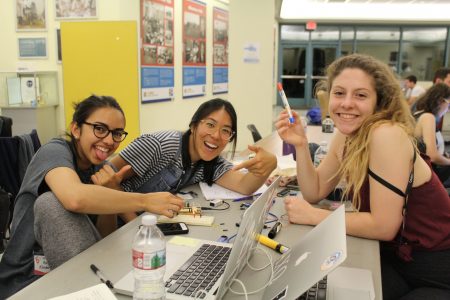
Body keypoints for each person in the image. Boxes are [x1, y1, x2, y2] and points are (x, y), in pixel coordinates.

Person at [276, 54, 450, 300]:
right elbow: (314, 191)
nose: (346, 104)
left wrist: (315, 216)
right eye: (339, 93)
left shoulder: (386, 134)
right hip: (397, 257)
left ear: (379, 101)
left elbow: (384, 225)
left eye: (360, 95)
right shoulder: (348, 134)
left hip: (435, 266)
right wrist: (301, 145)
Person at [0, 95, 183, 298]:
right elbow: (75, 198)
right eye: (100, 129)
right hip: (29, 280)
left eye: (117, 133)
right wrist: (145, 200)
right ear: (76, 129)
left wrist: (111, 191)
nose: (109, 140)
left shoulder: (99, 168)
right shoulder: (54, 152)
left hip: (85, 271)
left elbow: (104, 239)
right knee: (50, 203)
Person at [101, 98, 277, 222]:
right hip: (111, 222)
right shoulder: (162, 144)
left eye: (225, 131)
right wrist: (140, 230)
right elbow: (105, 179)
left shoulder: (210, 163)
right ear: (193, 126)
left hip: (146, 226)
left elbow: (245, 186)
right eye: (210, 125)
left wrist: (269, 165)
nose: (216, 135)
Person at [413, 83, 450, 185]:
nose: (448, 109)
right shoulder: (428, 117)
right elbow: (432, 156)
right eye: (449, 104)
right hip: (428, 174)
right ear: (440, 101)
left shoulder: (420, 113)